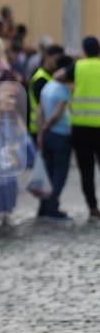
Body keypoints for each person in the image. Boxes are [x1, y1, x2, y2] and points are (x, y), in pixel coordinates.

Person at [37, 55, 75, 221]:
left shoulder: (47, 86)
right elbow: (57, 115)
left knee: (48, 172)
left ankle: (43, 207)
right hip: (60, 134)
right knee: (60, 174)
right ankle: (53, 206)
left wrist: (40, 132)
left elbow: (40, 111)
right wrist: (47, 127)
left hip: (47, 136)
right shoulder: (63, 90)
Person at [70, 35, 100, 220]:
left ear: (83, 50)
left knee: (86, 171)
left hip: (81, 127)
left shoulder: (78, 67)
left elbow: (57, 77)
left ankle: (93, 208)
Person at [27, 44, 64, 138]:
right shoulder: (41, 78)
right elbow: (44, 105)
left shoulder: (51, 76)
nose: (59, 63)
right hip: (39, 128)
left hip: (49, 127)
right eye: (57, 59)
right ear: (48, 58)